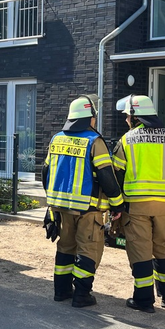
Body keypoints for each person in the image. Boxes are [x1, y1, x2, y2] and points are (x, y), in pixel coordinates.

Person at [41, 95, 124, 308]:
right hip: (88, 209)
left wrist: (51, 204)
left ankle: (61, 291)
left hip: (61, 206)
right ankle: (82, 295)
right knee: (88, 250)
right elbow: (107, 176)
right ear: (90, 118)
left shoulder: (56, 138)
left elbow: (45, 172)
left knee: (65, 247)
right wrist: (117, 204)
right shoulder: (94, 142)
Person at [112, 94, 165, 313]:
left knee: (141, 250)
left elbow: (116, 173)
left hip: (136, 206)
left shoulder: (126, 140)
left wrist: (117, 207)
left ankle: (144, 300)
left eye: (128, 116)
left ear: (136, 117)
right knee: (164, 249)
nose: (126, 119)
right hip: (164, 205)